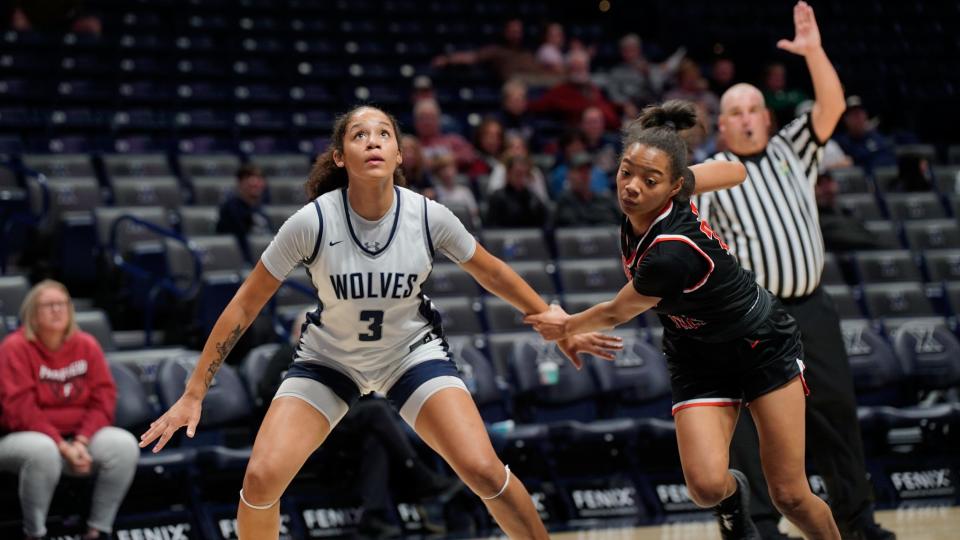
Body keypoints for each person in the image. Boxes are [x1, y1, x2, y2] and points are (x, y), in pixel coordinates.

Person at [138, 105, 620, 540]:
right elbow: (244, 305)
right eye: (360, 134)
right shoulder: (312, 221)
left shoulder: (428, 216)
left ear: (399, 155)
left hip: (409, 354)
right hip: (331, 360)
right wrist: (195, 390)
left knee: (482, 470)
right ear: (340, 156)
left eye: (384, 133)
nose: (373, 140)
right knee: (261, 479)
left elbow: (491, 270)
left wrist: (555, 320)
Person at [525, 100, 841, 540]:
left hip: (759, 344)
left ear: (673, 188)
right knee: (706, 487)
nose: (631, 187)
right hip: (695, 355)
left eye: (649, 180)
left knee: (789, 494)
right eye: (625, 172)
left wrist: (566, 326)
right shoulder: (665, 190)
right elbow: (735, 173)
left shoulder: (671, 251)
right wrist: (683, 177)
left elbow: (617, 311)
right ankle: (734, 503)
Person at [691, 4, 896, 539]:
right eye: (734, 111)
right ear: (722, 123)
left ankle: (858, 523)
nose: (746, 117)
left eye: (753, 108)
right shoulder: (713, 173)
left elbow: (830, 104)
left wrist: (813, 51)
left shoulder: (793, 149)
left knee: (836, 417)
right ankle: (760, 526)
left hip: (814, 309)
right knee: (754, 430)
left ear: (767, 117)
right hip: (756, 320)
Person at [255, 313, 464, 538]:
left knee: (375, 441)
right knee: (377, 413)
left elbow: (359, 389)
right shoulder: (285, 355)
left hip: (339, 423)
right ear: (298, 333)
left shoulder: (330, 357)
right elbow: (266, 392)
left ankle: (373, 517)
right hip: (304, 426)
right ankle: (421, 477)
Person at [0, 280, 139, 540]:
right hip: (21, 437)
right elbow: (20, 410)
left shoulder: (86, 344)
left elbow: (104, 398)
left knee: (123, 444)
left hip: (77, 438)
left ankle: (98, 530)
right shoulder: (14, 348)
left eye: (62, 304)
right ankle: (35, 533)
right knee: (43, 450)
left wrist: (82, 441)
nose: (57, 310)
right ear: (32, 314)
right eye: (48, 305)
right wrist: (64, 447)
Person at [528, 50, 621, 129]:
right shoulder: (560, 91)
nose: (580, 71)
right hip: (575, 133)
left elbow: (609, 114)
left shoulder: (592, 89)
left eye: (582, 67)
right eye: (576, 68)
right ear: (569, 69)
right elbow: (540, 105)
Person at [216, 164, 271, 262]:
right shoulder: (231, 208)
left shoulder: (260, 209)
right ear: (240, 183)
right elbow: (240, 243)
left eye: (260, 179)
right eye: (251, 179)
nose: (256, 183)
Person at [553, 152, 621, 227]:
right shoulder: (563, 203)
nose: (584, 175)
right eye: (580, 171)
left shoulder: (604, 201)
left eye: (587, 171)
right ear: (569, 175)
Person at [831, 95, 897, 172]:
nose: (857, 118)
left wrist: (855, 160)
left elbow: (888, 163)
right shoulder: (839, 143)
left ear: (865, 115)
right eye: (853, 115)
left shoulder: (877, 139)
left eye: (859, 113)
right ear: (845, 119)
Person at [485, 155, 549, 229]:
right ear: (508, 174)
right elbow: (491, 228)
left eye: (525, 174)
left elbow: (545, 222)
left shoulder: (533, 198)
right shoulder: (497, 197)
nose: (521, 178)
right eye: (518, 173)